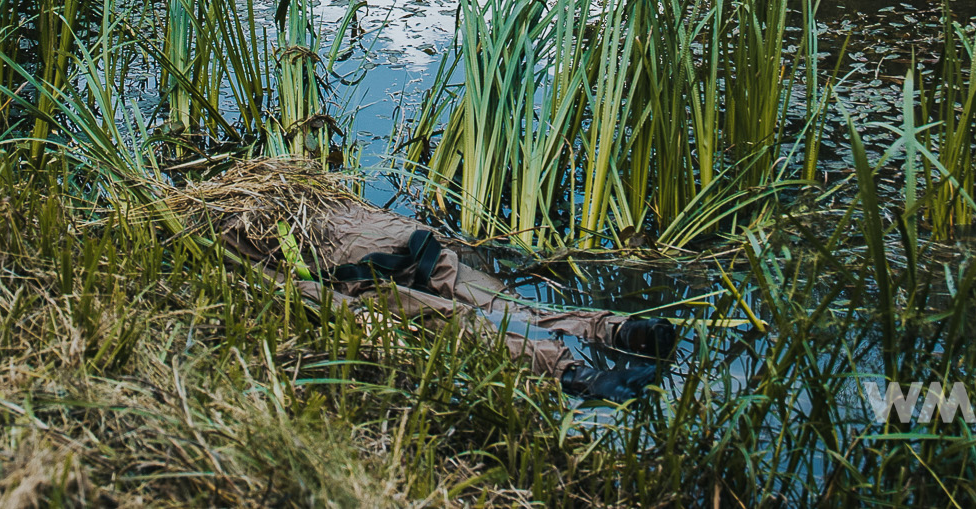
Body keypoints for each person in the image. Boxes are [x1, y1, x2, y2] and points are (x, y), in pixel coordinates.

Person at [187, 171, 679, 399]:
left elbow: (296, 285)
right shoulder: (285, 191)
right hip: (391, 257)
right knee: (476, 309)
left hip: (388, 258)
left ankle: (596, 353)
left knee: (472, 312)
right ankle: (595, 352)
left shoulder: (263, 206)